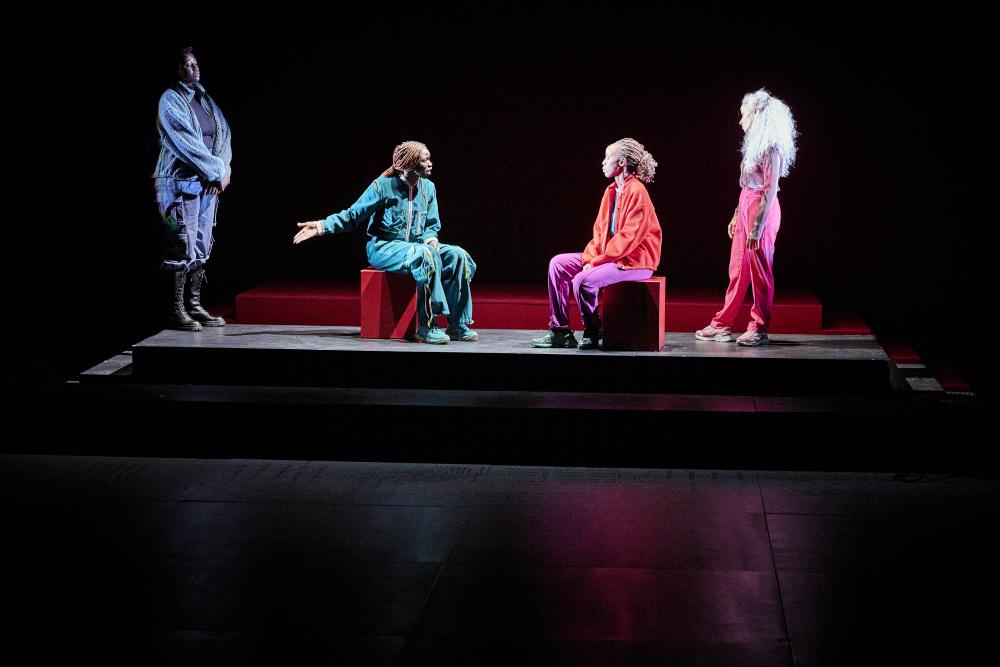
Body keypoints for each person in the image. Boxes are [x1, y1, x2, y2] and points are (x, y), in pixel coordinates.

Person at [293, 141, 476, 344]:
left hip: (418, 247)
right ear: (409, 164)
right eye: (425, 160)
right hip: (384, 248)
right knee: (426, 255)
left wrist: (431, 238)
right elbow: (353, 215)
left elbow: (431, 225)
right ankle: (428, 326)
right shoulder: (382, 187)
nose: (431, 163)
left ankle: (456, 324)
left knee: (457, 255)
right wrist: (320, 226)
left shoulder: (428, 189)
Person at [532, 138, 662, 350]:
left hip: (634, 261)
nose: (603, 162)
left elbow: (629, 238)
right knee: (558, 264)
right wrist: (591, 257)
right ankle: (560, 331)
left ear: (621, 162)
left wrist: (596, 262)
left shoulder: (637, 192)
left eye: (607, 157)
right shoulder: (611, 191)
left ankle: (593, 328)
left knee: (583, 281)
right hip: (610, 256)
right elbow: (599, 231)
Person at [695, 88, 797, 346]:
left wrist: (756, 227)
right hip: (746, 206)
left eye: (744, 115)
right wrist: (736, 215)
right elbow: (747, 186)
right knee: (737, 269)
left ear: (757, 115)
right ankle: (722, 324)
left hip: (763, 211)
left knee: (759, 271)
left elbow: (769, 190)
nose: (740, 121)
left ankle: (758, 326)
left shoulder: (771, 148)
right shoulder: (753, 146)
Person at [153, 47, 232, 331]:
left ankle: (195, 305)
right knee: (181, 243)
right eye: (186, 64)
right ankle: (176, 309)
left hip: (205, 185)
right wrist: (216, 171)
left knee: (201, 241)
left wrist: (224, 170)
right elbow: (186, 143)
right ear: (175, 70)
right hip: (177, 183)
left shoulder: (205, 100)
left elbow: (224, 136)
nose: (192, 68)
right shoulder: (170, 100)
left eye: (195, 63)